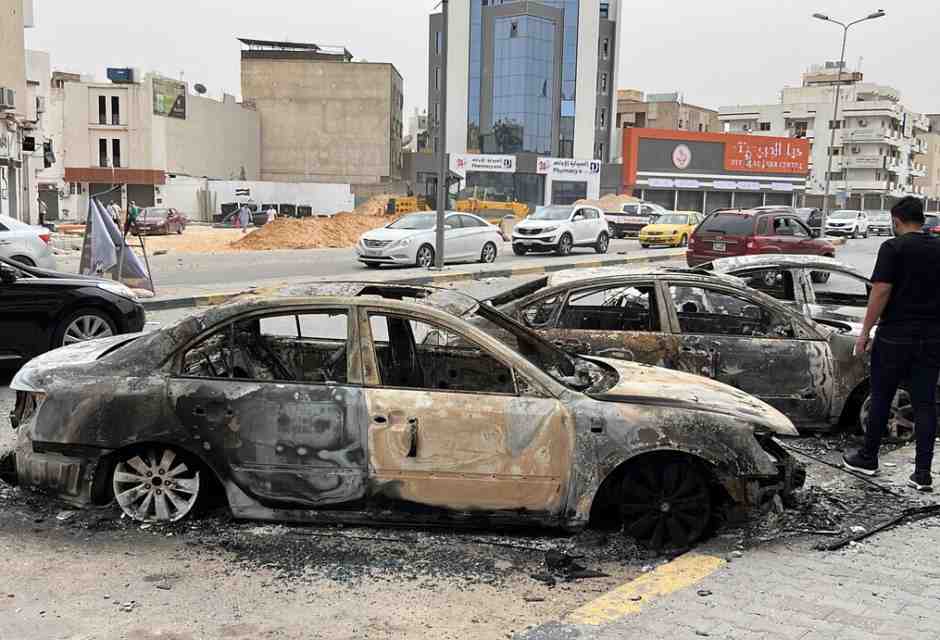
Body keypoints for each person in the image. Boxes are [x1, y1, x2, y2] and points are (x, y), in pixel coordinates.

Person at [843, 196, 940, 491]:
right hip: (933, 336)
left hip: (895, 334)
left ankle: (868, 457)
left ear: (896, 220)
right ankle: (923, 474)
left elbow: (881, 290)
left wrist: (865, 333)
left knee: (882, 395)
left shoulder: (893, 247)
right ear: (921, 219)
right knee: (925, 403)